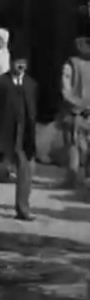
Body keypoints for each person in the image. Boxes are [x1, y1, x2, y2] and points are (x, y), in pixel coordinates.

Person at [0, 45, 37, 220]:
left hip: (24, 135)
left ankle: (22, 209)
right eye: (18, 62)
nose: (21, 66)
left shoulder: (31, 85)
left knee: (25, 173)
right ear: (11, 63)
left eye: (24, 63)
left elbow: (32, 111)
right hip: (3, 135)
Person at [59, 36, 90, 188]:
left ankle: (71, 180)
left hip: (75, 112)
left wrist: (77, 105)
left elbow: (65, 90)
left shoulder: (71, 64)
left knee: (73, 146)